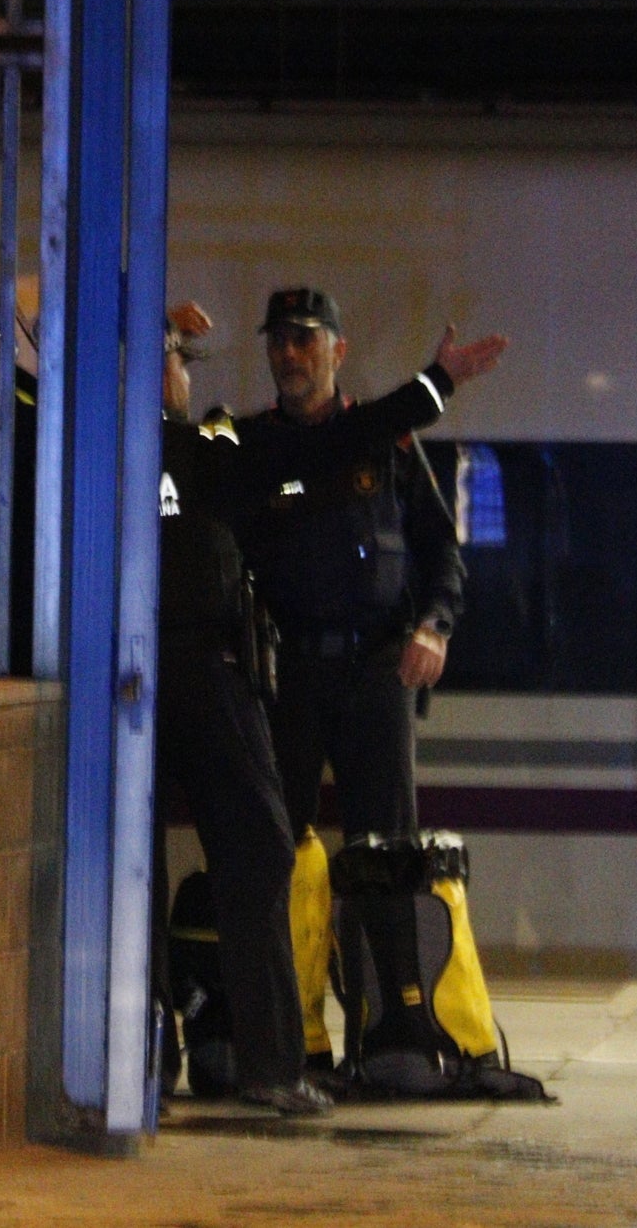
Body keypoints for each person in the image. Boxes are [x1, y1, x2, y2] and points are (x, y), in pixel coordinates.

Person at [156, 298, 504, 1113]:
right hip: (283, 682)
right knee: (276, 852)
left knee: (384, 851)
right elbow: (278, 448)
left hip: (371, 675)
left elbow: (435, 548)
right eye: (277, 341)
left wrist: (435, 623)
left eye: (305, 340)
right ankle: (287, 1041)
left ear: (338, 348)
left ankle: (395, 1038)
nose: (290, 354)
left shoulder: (377, 443)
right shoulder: (234, 441)